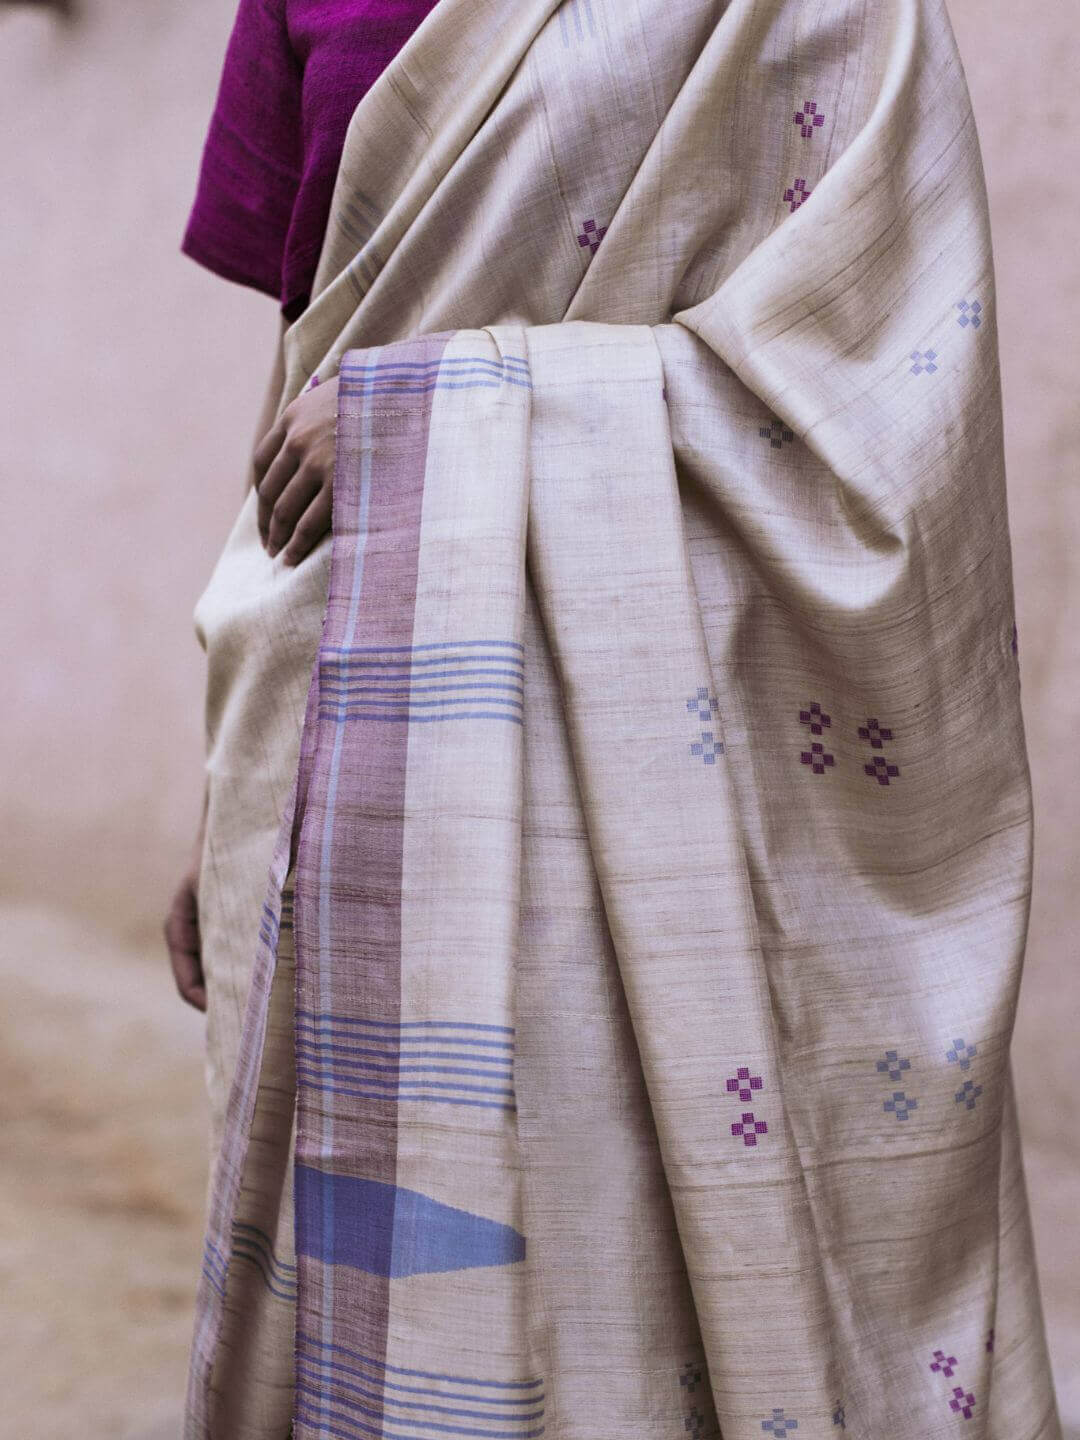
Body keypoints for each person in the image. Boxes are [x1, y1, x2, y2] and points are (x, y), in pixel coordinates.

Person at [169, 2, 1064, 1438]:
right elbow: (315, 353)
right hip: (354, 735)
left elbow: (880, 390)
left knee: (631, 1280)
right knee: (382, 1276)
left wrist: (426, 418)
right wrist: (238, 792)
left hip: (675, 755)